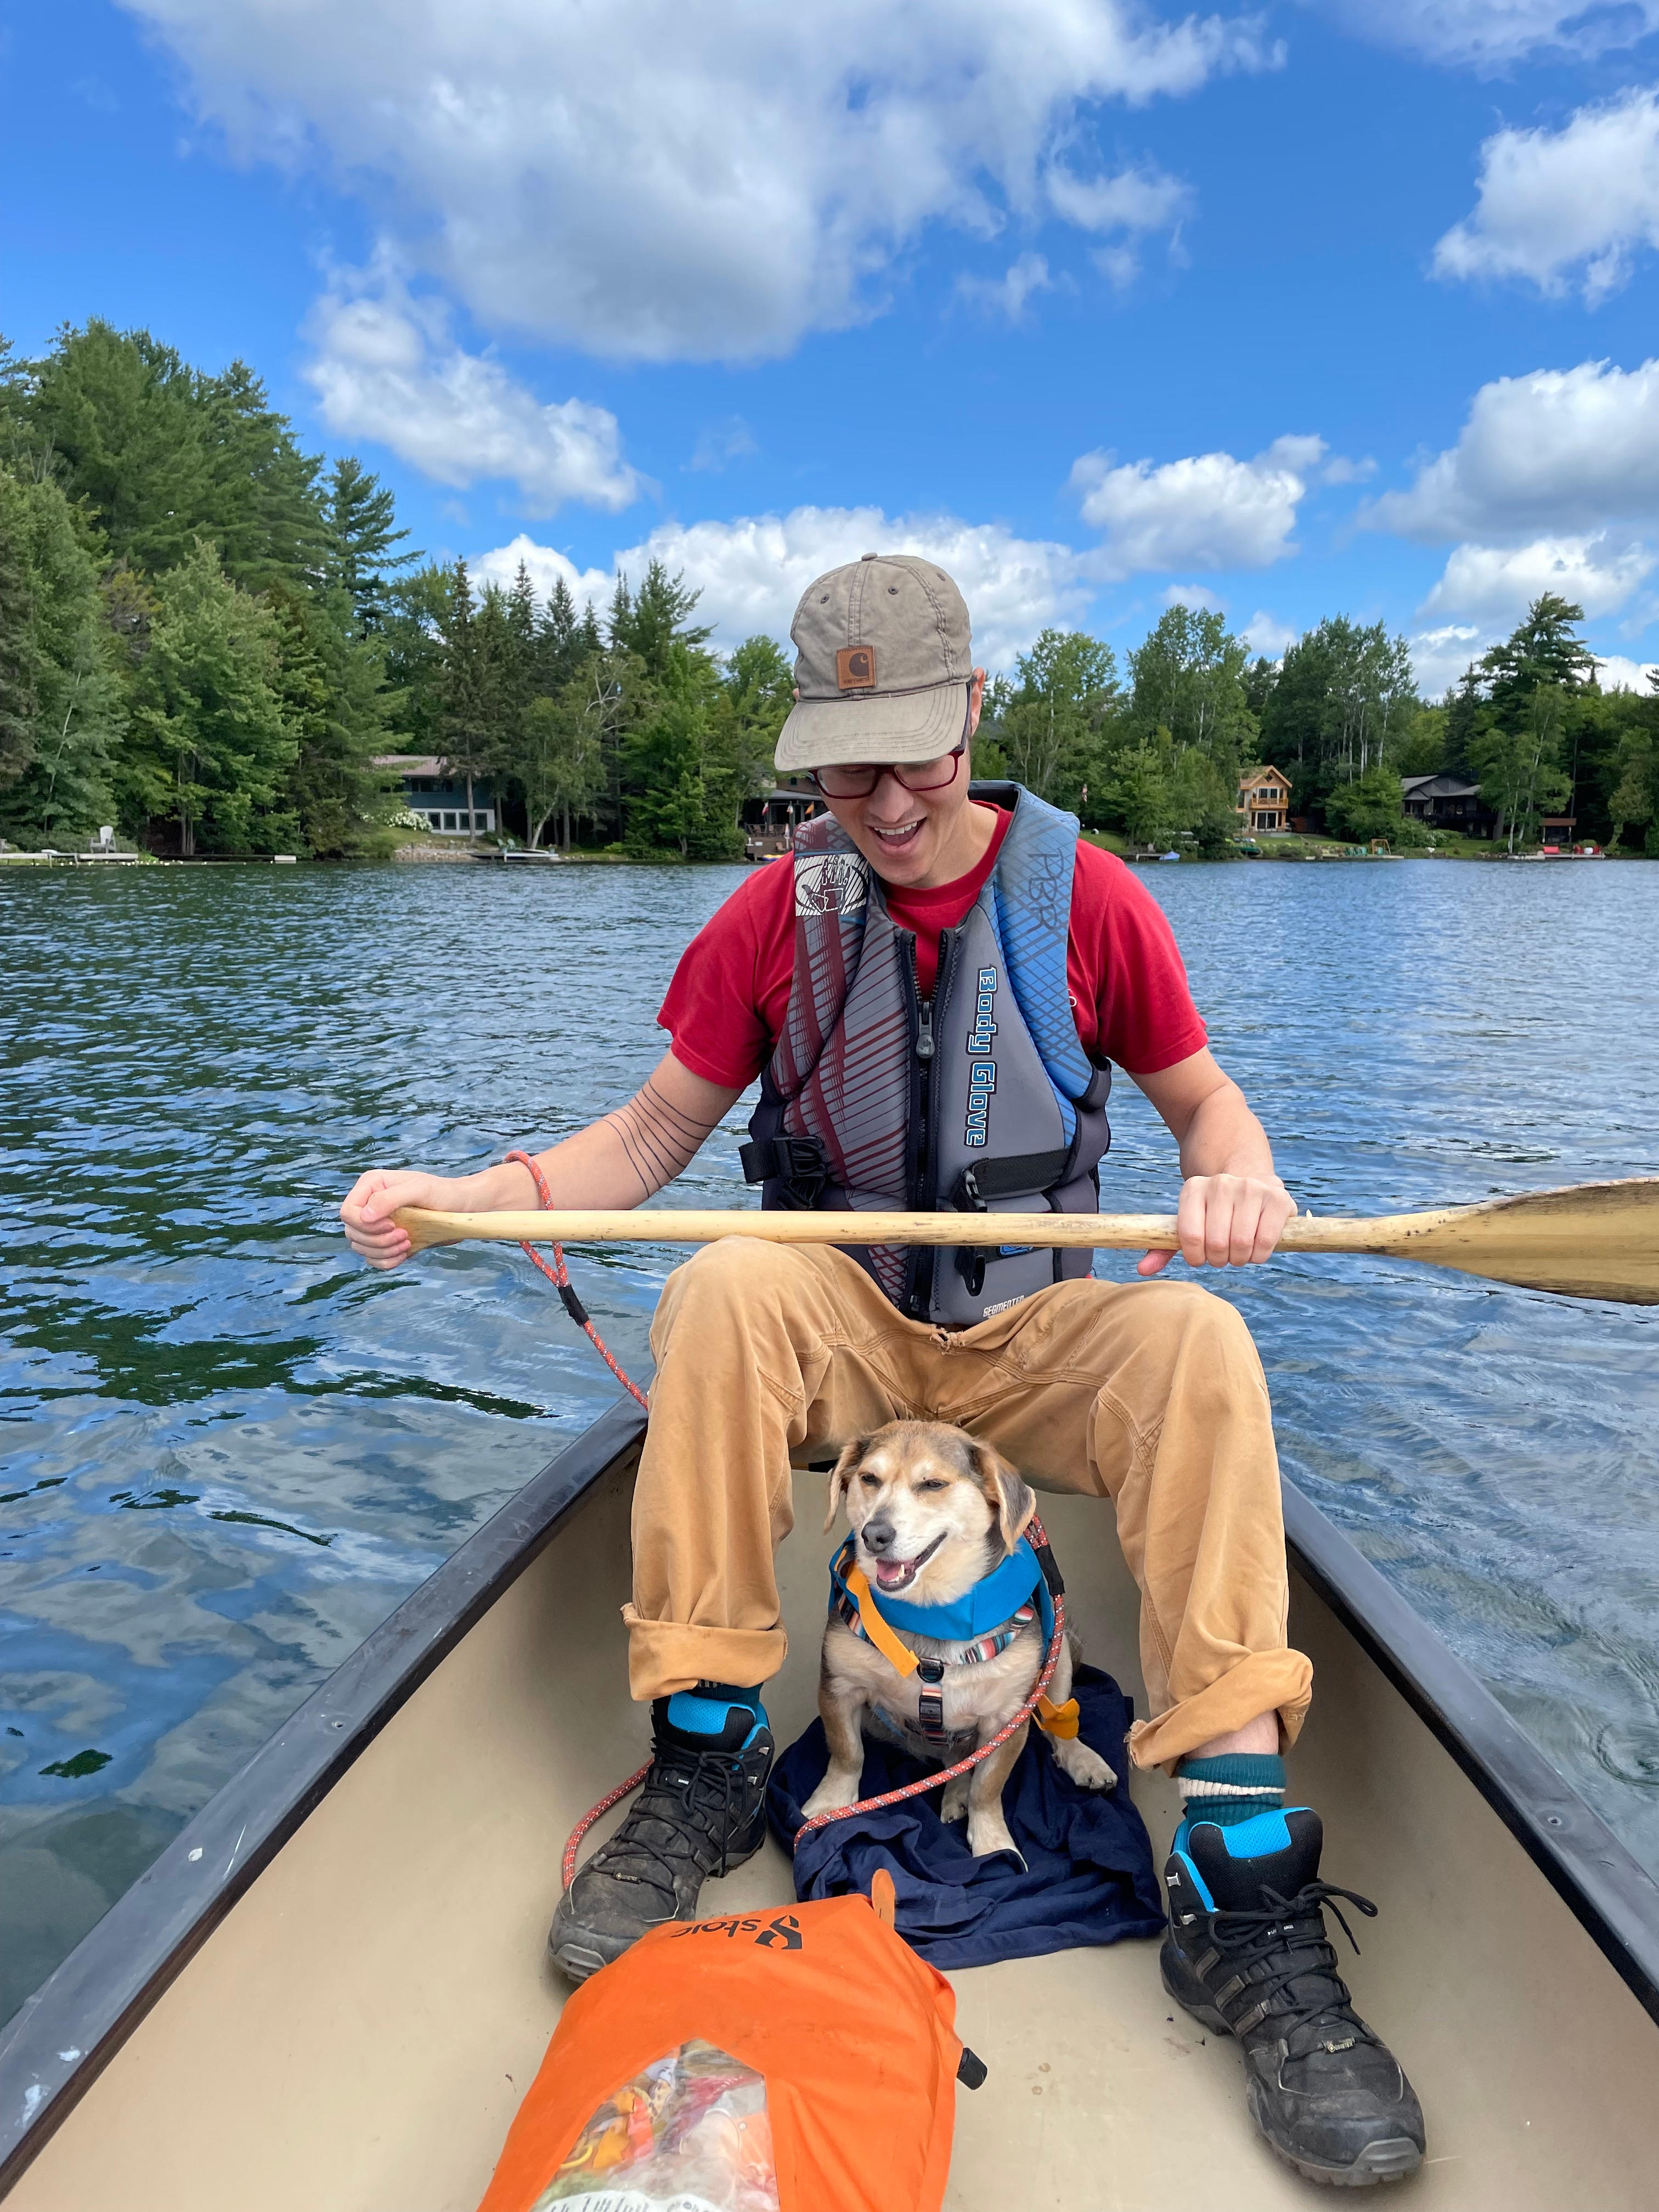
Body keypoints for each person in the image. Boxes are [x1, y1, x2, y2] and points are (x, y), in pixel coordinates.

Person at [341, 554, 1425, 2187]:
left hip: (1031, 1343)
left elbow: (1209, 1109)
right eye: (850, 761)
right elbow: (644, 1142)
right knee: (719, 1290)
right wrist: (480, 1198)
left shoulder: (1091, 897)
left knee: (1201, 1339)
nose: (888, 796)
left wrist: (1239, 1173)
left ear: (974, 710)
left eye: (917, 750)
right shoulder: (778, 914)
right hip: (859, 1339)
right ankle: (707, 1758)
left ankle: (1238, 1881)